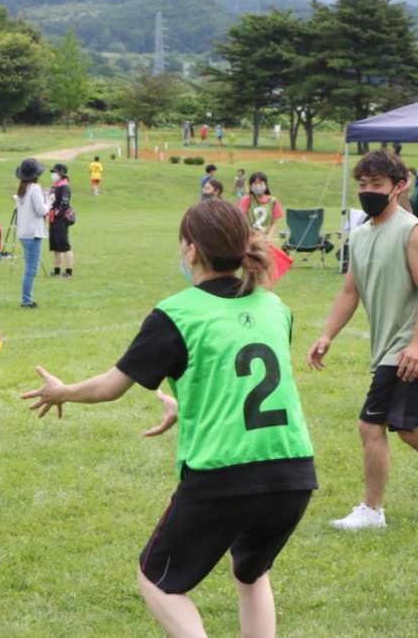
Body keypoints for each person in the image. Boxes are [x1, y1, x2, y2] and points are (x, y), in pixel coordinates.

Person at [21, 199, 316, 637]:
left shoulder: (176, 314)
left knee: (157, 577)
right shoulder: (275, 306)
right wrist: (187, 406)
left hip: (223, 474)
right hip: (292, 472)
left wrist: (63, 391)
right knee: (251, 574)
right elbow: (247, 377)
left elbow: (110, 387)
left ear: (191, 251)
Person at [308, 150, 418, 530]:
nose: (367, 191)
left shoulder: (412, 231)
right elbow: (349, 293)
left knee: (372, 426)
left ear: (399, 186)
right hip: (390, 349)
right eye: (363, 184)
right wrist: (326, 335)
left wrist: (416, 345)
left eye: (377, 184)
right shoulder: (358, 235)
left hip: (405, 348)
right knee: (407, 429)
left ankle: (371, 512)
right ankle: (371, 511)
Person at [15, 157, 51, 308]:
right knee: (31, 270)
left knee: (29, 268)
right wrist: (49, 200)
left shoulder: (22, 189)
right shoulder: (34, 188)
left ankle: (26, 298)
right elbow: (42, 210)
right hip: (33, 233)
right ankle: (26, 300)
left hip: (24, 232)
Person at [238, 172, 283, 241]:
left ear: (266, 185)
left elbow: (274, 223)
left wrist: (269, 237)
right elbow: (242, 220)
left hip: (266, 239)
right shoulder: (246, 200)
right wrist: (254, 234)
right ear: (251, 186)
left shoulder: (273, 201)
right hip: (249, 239)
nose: (257, 185)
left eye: (260, 183)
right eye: (255, 183)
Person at [49, 163, 74, 278]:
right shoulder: (55, 186)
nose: (53, 174)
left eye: (55, 172)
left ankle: (68, 272)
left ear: (61, 174)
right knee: (55, 247)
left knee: (64, 245)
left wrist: (58, 211)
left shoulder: (65, 186)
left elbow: (65, 202)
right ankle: (56, 271)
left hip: (61, 219)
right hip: (53, 218)